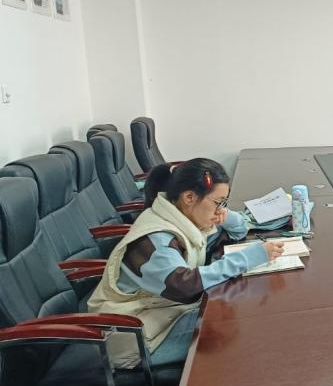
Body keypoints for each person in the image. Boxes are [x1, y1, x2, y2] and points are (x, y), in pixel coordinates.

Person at [87, 158, 285, 368]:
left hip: (165, 315)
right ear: (189, 197)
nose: (219, 210)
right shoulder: (158, 239)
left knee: (239, 316)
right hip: (136, 339)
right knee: (242, 332)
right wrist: (246, 259)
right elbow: (184, 285)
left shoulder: (183, 216)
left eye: (223, 203)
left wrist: (224, 215)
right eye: (217, 202)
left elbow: (239, 231)